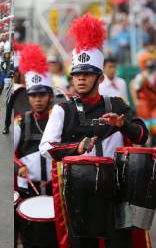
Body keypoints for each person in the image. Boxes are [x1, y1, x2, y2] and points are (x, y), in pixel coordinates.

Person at [39, 14, 150, 248]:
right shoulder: (62, 109)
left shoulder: (117, 104)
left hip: (116, 190)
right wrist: (77, 147)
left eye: (87, 74)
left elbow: (142, 135)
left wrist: (124, 126)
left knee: (119, 243)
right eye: (77, 74)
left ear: (99, 77)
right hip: (79, 192)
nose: (80, 78)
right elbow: (46, 147)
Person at [14, 44, 54, 199]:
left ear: (50, 96)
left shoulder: (60, 119)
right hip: (28, 187)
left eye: (42, 95)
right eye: (33, 95)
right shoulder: (20, 122)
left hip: (55, 187)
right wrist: (19, 167)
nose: (38, 100)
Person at [130, 52, 156, 146]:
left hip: (153, 104)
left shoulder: (154, 75)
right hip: (143, 105)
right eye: (147, 61)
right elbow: (135, 87)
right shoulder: (140, 77)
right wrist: (136, 100)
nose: (149, 63)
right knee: (145, 127)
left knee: (154, 127)